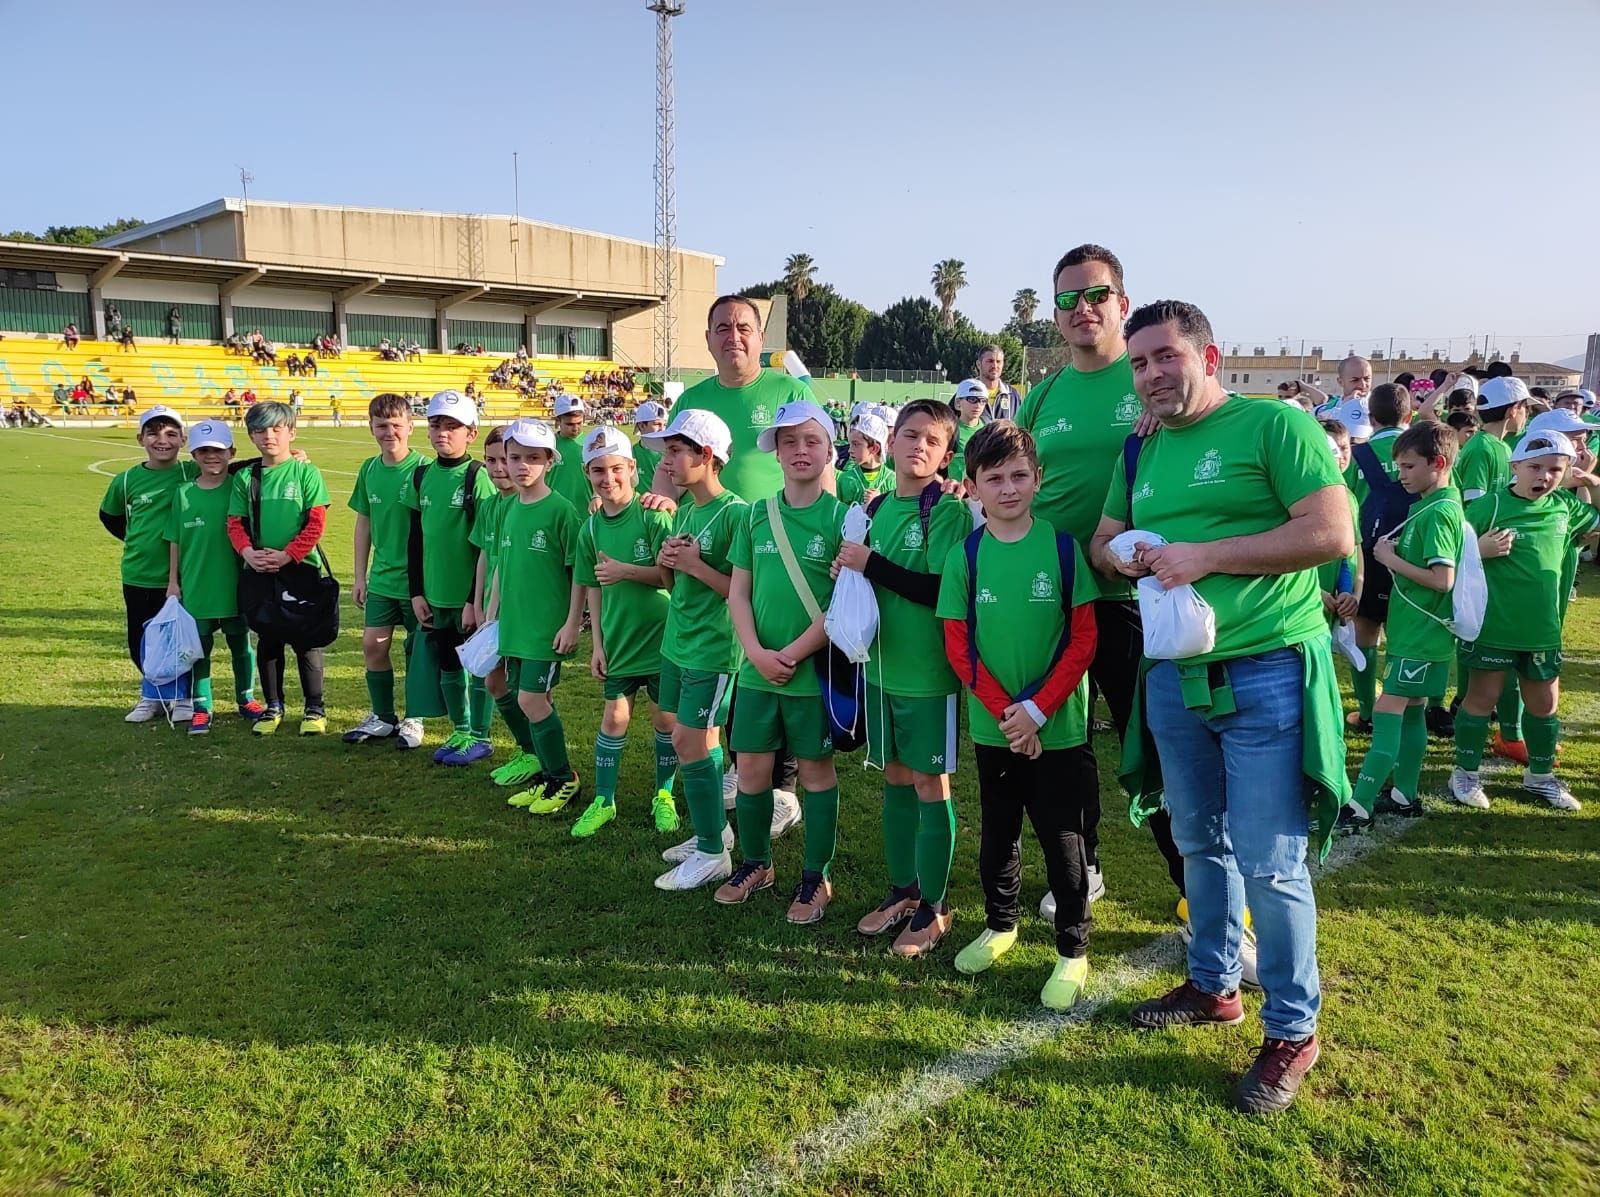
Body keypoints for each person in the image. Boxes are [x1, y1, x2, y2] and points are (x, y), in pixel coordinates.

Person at [1093, 300, 1352, 1115]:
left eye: (1165, 356)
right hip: (1175, 670)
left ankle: (1293, 1028)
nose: (1152, 374)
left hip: (1268, 664)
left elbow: (1332, 531)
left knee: (1271, 858)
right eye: (1139, 363)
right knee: (1199, 839)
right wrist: (1127, 553)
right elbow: (1105, 541)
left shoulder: (1275, 428)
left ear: (1208, 355)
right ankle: (1213, 986)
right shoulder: (1140, 448)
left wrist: (1208, 555)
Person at [1013, 244, 1182, 925]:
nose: (1082, 308)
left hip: (1130, 599)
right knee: (1064, 744)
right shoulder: (1043, 396)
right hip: (1052, 598)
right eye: (1067, 299)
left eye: (1096, 294)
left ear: (1123, 302)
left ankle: (1198, 891)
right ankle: (1085, 866)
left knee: (1156, 748)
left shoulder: (1148, 381)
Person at [938, 420, 1099, 1007]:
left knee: (1063, 840)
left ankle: (1072, 951)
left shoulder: (1061, 548)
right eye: (994, 478)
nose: (1008, 488)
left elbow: (1082, 638)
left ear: (1039, 480)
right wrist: (1008, 713)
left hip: (1057, 728)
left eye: (1019, 476)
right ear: (974, 486)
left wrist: (1037, 709)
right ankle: (1001, 925)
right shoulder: (967, 555)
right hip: (994, 726)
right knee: (999, 833)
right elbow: (959, 645)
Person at [837, 399, 971, 956]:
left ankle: (934, 906)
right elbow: (867, 577)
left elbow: (941, 590)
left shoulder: (947, 512)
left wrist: (871, 566)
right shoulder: (875, 507)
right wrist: (849, 570)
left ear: (945, 455)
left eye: (932, 441)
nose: (919, 446)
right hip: (881, 670)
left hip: (928, 677)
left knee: (928, 783)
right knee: (892, 777)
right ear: (889, 441)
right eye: (910, 435)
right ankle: (903, 890)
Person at [716, 400, 847, 925]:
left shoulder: (843, 518)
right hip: (755, 671)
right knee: (750, 768)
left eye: (811, 441)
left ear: (828, 450)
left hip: (809, 671)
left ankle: (817, 875)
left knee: (815, 770)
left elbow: (843, 606)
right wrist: (754, 652)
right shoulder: (756, 515)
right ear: (775, 450)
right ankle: (756, 863)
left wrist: (790, 654)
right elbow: (738, 593)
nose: (799, 451)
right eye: (789, 442)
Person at [1451, 430, 1600, 812]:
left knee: (1545, 704)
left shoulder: (1566, 506)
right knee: (1482, 699)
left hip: (1542, 630)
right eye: (1535, 467)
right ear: (1514, 466)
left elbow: (1593, 526)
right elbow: (1452, 549)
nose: (1544, 476)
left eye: (1555, 469)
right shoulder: (1491, 507)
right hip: (1494, 627)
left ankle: (1540, 776)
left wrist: (1591, 481)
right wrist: (1479, 551)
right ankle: (1465, 773)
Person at [1342, 421, 1463, 832]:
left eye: (1409, 466)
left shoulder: (1441, 511)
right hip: (1414, 632)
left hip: (1422, 636)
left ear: (1439, 463)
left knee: (1387, 707)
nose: (1401, 475)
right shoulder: (1431, 503)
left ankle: (1358, 805)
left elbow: (1443, 578)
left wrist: (1390, 560)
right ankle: (1403, 794)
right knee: (1412, 712)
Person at [647, 409, 746, 891]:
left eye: (673, 451)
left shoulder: (736, 514)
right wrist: (668, 563)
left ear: (706, 456)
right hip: (678, 642)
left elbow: (742, 591)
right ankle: (716, 831)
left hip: (712, 649)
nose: (665, 462)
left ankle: (712, 853)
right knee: (692, 738)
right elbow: (674, 581)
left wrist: (693, 564)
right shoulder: (685, 509)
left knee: (689, 740)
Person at [569, 425, 679, 837]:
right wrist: (597, 643)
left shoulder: (654, 516)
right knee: (614, 718)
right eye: (598, 470)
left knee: (664, 718)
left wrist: (626, 572)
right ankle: (604, 800)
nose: (608, 478)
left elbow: (672, 578)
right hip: (618, 642)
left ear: (633, 469)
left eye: (616, 468)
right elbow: (593, 587)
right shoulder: (591, 528)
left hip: (663, 641)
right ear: (588, 474)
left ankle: (664, 794)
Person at [491, 419, 587, 813]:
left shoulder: (561, 511)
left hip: (545, 630)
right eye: (515, 458)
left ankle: (563, 780)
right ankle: (548, 775)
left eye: (533, 458)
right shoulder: (510, 507)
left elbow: (578, 572)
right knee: (531, 698)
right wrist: (492, 615)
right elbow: (502, 565)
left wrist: (571, 622)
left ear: (550, 461)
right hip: (514, 626)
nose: (521, 466)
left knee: (532, 699)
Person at [400, 391, 500, 760]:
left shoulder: (478, 477)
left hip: (466, 598)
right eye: (437, 424)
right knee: (447, 663)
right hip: (433, 594)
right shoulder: (422, 475)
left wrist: (474, 600)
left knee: (475, 665)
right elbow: (415, 538)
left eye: (452, 426)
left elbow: (484, 548)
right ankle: (460, 729)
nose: (443, 432)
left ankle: (480, 734)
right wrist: (416, 591)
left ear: (471, 432)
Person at [226, 401, 331, 736]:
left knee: (306, 640)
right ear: (251, 436)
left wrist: (289, 554)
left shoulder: (306, 473)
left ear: (291, 433)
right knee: (268, 638)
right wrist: (247, 552)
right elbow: (234, 523)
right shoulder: (246, 476)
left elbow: (316, 522)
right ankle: (273, 707)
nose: (268, 436)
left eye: (276, 429)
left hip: (300, 569)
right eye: (260, 430)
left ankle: (315, 709)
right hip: (260, 570)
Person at [99, 406, 200, 722]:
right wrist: (138, 542)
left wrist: (290, 457)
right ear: (140, 437)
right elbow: (110, 516)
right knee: (141, 640)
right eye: (154, 433)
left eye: (171, 434)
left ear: (183, 440)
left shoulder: (191, 472)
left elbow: (231, 469)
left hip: (184, 575)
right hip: (139, 572)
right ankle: (152, 696)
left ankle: (183, 697)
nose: (163, 440)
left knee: (182, 639)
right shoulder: (126, 480)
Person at [163, 419, 262, 734]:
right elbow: (175, 539)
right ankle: (201, 706)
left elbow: (269, 468)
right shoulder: (184, 494)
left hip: (235, 584)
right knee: (199, 650)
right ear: (193, 455)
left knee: (240, 644)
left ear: (231, 453)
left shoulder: (240, 486)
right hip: (197, 585)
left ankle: (246, 699)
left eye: (218, 451)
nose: (211, 457)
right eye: (203, 451)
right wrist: (173, 582)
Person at [1449, 376, 1530, 756]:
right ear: (1514, 410)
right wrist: (1477, 549)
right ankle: (1464, 702)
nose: (1525, 415)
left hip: (1494, 553)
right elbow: (1474, 509)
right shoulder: (1483, 448)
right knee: (1477, 631)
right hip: (1480, 554)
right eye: (1525, 407)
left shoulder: (1498, 446)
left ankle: (1475, 705)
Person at [343, 394, 427, 747]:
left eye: (396, 424)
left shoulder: (424, 469)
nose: (389, 431)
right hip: (382, 579)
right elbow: (364, 523)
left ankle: (415, 718)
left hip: (419, 584)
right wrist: (360, 575)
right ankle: (382, 716)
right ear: (371, 427)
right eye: (382, 425)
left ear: (410, 426)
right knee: (372, 646)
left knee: (417, 651)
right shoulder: (369, 469)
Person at [1345, 383, 1414, 734]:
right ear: (1410, 415)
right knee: (1407, 636)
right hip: (1417, 558)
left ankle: (1368, 711)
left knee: (1366, 631)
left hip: (1369, 556)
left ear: (1370, 418)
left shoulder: (1358, 456)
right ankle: (1410, 707)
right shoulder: (1427, 452)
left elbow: (1344, 508)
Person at [1314, 356, 1375, 441]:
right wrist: (1345, 406)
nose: (1363, 385)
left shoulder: (1379, 407)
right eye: (1355, 380)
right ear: (1340, 382)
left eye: (1367, 379)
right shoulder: (1326, 410)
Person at [550, 394, 592, 513]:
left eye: (579, 423)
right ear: (558, 421)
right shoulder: (549, 445)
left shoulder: (591, 444)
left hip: (586, 510)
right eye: (570, 424)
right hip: (555, 511)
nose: (575, 428)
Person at [836, 412, 890, 506]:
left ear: (874, 448)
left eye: (856, 444)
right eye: (850, 444)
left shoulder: (892, 481)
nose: (850, 450)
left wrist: (881, 501)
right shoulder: (845, 479)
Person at [944, 379, 987, 483]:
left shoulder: (989, 431)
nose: (978, 405)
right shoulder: (949, 430)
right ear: (958, 403)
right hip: (956, 495)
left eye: (983, 400)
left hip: (982, 495)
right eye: (972, 399)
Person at [976, 344, 1020, 421]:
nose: (995, 366)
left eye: (998, 362)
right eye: (990, 361)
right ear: (979, 364)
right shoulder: (966, 393)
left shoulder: (1012, 395)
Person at [630, 400, 668, 487]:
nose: (662, 429)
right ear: (641, 426)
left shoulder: (669, 453)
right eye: (657, 424)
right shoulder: (630, 453)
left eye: (664, 424)